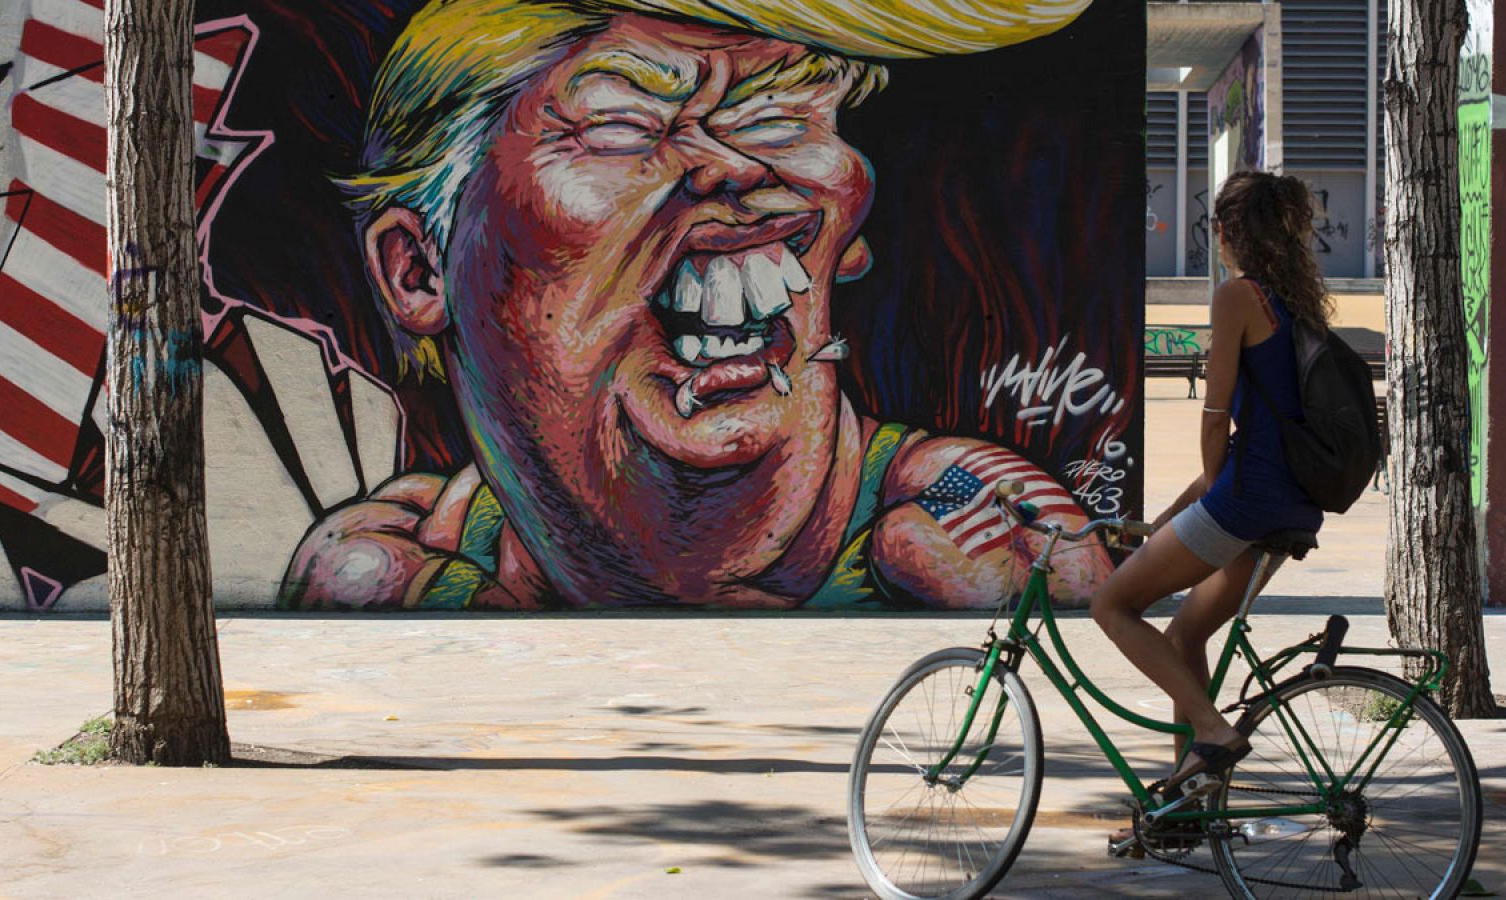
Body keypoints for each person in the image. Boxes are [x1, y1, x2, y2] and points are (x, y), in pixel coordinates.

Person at [279, 0, 1114, 611]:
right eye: (621, 124)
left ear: (845, 236)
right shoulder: (387, 565)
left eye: (781, 117)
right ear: (419, 271)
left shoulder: (974, 529)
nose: (738, 167)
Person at [1090, 171, 1330, 809]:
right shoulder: (1295, 301)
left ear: (1225, 232)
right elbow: (1250, 444)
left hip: (1245, 504)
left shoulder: (1237, 297)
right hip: (1289, 503)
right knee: (1187, 634)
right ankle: (1189, 804)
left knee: (1111, 604)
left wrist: (1201, 505)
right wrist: (1168, 516)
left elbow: (1215, 416)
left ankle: (1213, 732)